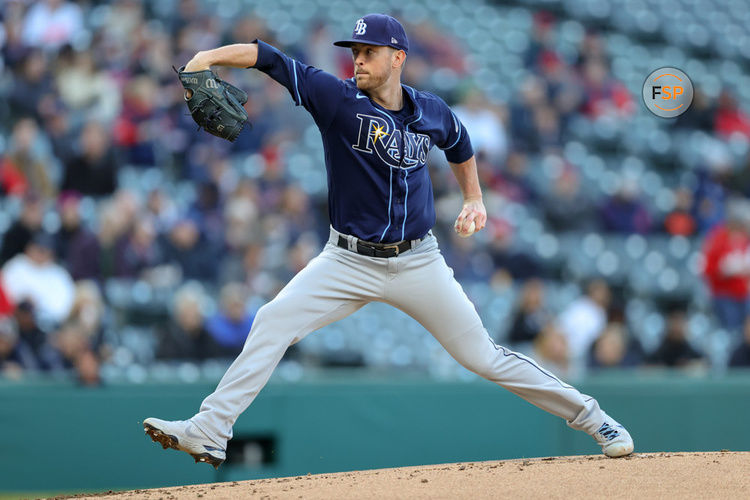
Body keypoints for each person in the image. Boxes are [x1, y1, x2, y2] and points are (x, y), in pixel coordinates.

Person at [143, 14, 633, 468]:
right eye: (355, 51)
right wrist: (206, 59)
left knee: (483, 356)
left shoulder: (431, 110)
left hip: (418, 262)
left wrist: (474, 198)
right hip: (346, 260)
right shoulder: (335, 99)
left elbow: (459, 143)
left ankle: (594, 418)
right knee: (273, 320)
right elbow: (266, 56)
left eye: (369, 52)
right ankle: (210, 429)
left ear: (397, 58)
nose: (357, 59)